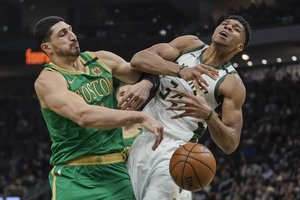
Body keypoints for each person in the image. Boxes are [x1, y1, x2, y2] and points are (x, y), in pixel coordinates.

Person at [32, 16, 164, 200]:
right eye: (63, 34)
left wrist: (147, 83)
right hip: (74, 175)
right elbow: (83, 115)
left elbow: (142, 72)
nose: (72, 36)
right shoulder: (49, 80)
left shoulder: (101, 59)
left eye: (71, 30)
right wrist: (139, 117)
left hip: (116, 171)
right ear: (47, 48)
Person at [124, 15, 252, 200]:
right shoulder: (190, 44)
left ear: (239, 47)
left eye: (235, 29)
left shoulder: (231, 83)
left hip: (176, 151)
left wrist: (209, 115)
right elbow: (139, 58)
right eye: (225, 24)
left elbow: (230, 144)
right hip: (141, 139)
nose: (227, 27)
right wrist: (179, 70)